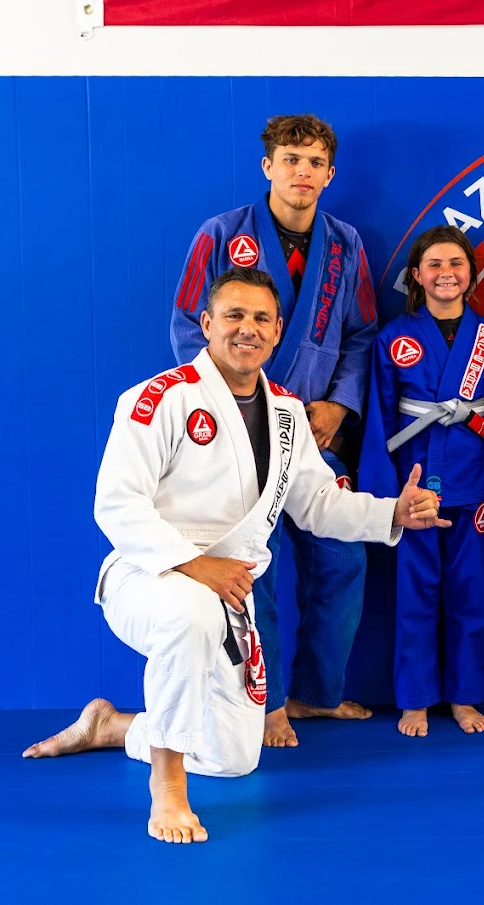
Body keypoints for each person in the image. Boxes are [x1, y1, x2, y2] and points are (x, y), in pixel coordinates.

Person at [23, 269, 444, 843]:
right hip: (147, 575)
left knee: (232, 758)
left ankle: (112, 727)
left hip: (229, 594)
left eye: (262, 319)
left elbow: (317, 504)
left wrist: (392, 513)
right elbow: (116, 504)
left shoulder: (287, 413)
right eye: (234, 316)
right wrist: (196, 566)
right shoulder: (158, 399)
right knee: (191, 613)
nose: (248, 329)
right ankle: (168, 785)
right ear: (206, 324)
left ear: (277, 333)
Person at [169, 113, 380, 748]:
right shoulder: (221, 234)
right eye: (291, 160)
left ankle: (316, 693)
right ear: (268, 167)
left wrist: (339, 405)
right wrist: (227, 404)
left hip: (316, 431)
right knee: (250, 575)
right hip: (237, 429)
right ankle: (265, 705)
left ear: (330, 174)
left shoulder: (345, 244)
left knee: (342, 560)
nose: (302, 173)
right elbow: (187, 325)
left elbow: (362, 333)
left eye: (314, 163)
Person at [360, 225, 484, 737]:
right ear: (416, 274)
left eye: (456, 263)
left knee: (471, 595)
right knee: (415, 596)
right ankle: (414, 699)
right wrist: (383, 499)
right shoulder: (394, 338)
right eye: (434, 264)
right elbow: (379, 418)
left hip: (474, 482)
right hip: (414, 487)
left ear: (471, 273)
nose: (445, 273)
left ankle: (464, 696)